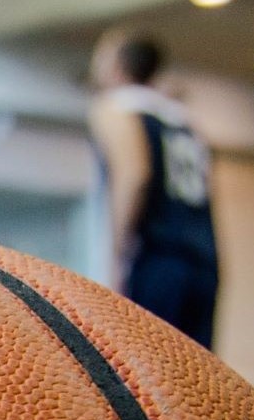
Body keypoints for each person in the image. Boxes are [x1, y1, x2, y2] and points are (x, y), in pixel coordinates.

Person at [86, 30, 220, 348]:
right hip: (203, 260)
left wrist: (117, 254)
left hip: (157, 259)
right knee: (195, 379)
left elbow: (135, 175)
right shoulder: (183, 119)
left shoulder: (117, 108)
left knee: (147, 375)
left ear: (117, 66)